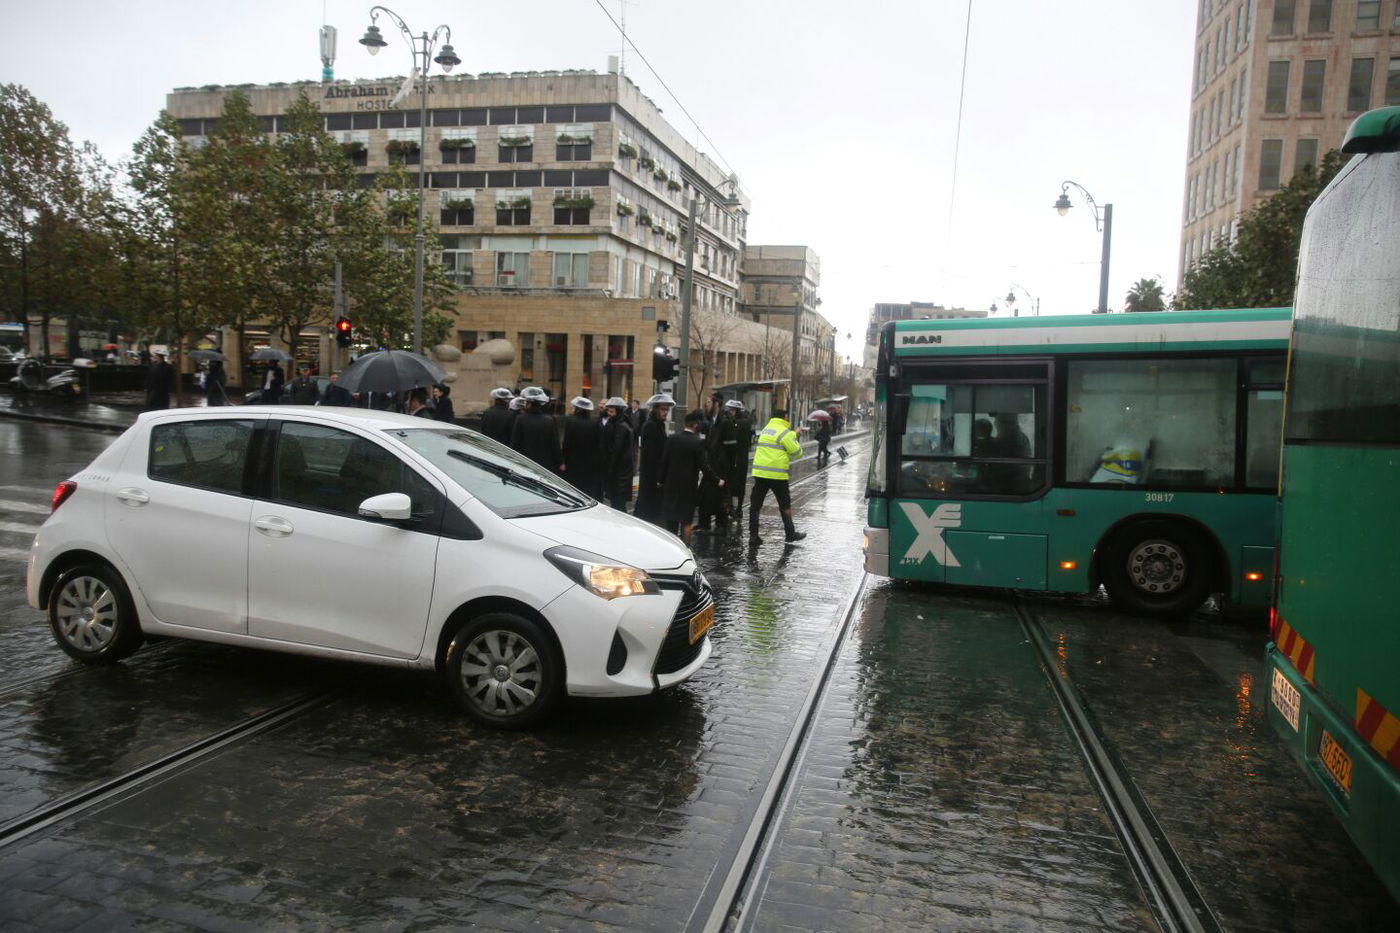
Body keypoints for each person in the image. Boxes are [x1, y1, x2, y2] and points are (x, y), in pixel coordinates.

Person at [660, 410, 725, 545]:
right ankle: (686, 550)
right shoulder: (697, 442)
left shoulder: (672, 439)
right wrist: (717, 480)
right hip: (688, 489)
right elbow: (704, 466)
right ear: (696, 425)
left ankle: (671, 550)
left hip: (671, 487)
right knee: (686, 522)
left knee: (671, 523)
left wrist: (660, 481)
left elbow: (664, 462)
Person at [749, 407, 806, 544]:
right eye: (787, 417)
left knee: (755, 506)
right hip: (777, 476)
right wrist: (795, 435)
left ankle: (753, 536)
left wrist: (791, 434)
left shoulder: (765, 430)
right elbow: (797, 452)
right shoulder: (785, 433)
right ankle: (790, 533)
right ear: (784, 417)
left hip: (760, 474)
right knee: (784, 505)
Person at [634, 393, 673, 525]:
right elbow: (651, 455)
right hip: (651, 476)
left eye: (667, 409)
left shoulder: (659, 424)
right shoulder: (650, 425)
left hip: (656, 475)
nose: (666, 412)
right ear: (655, 409)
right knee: (649, 510)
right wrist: (658, 477)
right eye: (663, 409)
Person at [696, 397, 733, 533]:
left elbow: (730, 446)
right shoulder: (711, 420)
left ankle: (721, 525)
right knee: (706, 494)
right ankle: (704, 522)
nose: (706, 405)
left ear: (716, 404)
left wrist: (726, 463)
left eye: (709, 402)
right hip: (711, 463)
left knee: (720, 495)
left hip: (721, 466)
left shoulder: (725, 421)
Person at [510, 386, 561, 471]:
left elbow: (515, 442)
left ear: (529, 404)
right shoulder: (549, 420)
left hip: (525, 462)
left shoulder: (520, 419)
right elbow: (554, 444)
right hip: (544, 463)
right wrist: (559, 461)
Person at [561, 396, 603, 497]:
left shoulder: (571, 422)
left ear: (578, 409)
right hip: (590, 463)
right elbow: (598, 444)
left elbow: (566, 443)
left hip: (573, 462)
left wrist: (563, 460)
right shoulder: (595, 423)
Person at [599, 397, 636, 512]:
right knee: (617, 502)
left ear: (618, 411)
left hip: (619, 472)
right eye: (608, 411)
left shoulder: (620, 426)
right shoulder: (620, 423)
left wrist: (609, 467)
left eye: (611, 412)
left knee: (618, 504)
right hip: (619, 471)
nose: (609, 414)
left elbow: (616, 450)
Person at [723, 399, 754, 519]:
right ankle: (730, 507)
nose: (730, 412)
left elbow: (741, 430)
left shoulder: (743, 422)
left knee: (739, 483)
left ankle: (739, 508)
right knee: (729, 483)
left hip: (740, 458)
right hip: (732, 457)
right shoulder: (733, 421)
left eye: (732, 410)